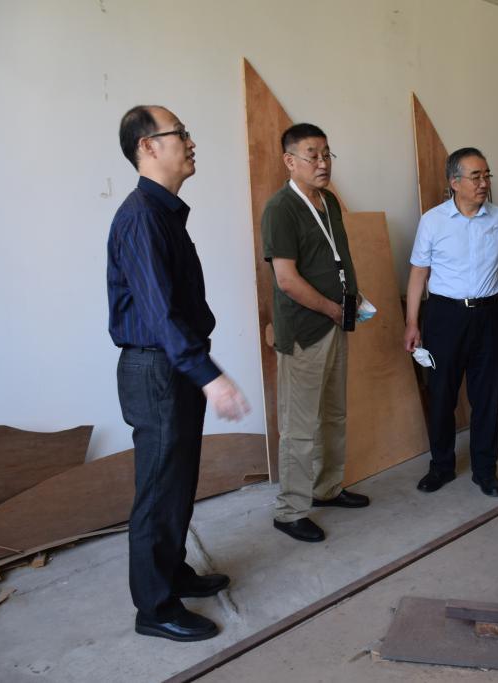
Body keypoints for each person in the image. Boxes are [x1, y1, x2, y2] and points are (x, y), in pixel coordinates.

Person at [108, 105, 250, 642]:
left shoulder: (163, 212)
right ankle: (154, 608)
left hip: (171, 366)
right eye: (180, 134)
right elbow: (159, 313)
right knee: (159, 491)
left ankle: (173, 572)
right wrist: (207, 375)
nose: (191, 143)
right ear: (148, 147)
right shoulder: (141, 216)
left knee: (178, 481)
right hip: (157, 369)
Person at [261, 123, 369, 544]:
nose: (323, 163)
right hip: (305, 331)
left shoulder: (329, 202)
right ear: (290, 161)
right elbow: (287, 280)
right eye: (313, 155)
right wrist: (332, 309)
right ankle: (290, 511)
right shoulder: (281, 209)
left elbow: (335, 260)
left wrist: (351, 300)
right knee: (300, 426)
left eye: (327, 154)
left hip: (336, 323)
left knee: (334, 415)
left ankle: (327, 488)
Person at [404, 147, 498, 497]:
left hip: (489, 315)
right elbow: (418, 273)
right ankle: (441, 466)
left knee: (486, 396)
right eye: (476, 176)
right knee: (442, 393)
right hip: (445, 315)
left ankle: (485, 470)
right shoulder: (433, 221)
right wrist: (412, 322)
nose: (484, 183)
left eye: (487, 175)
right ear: (454, 182)